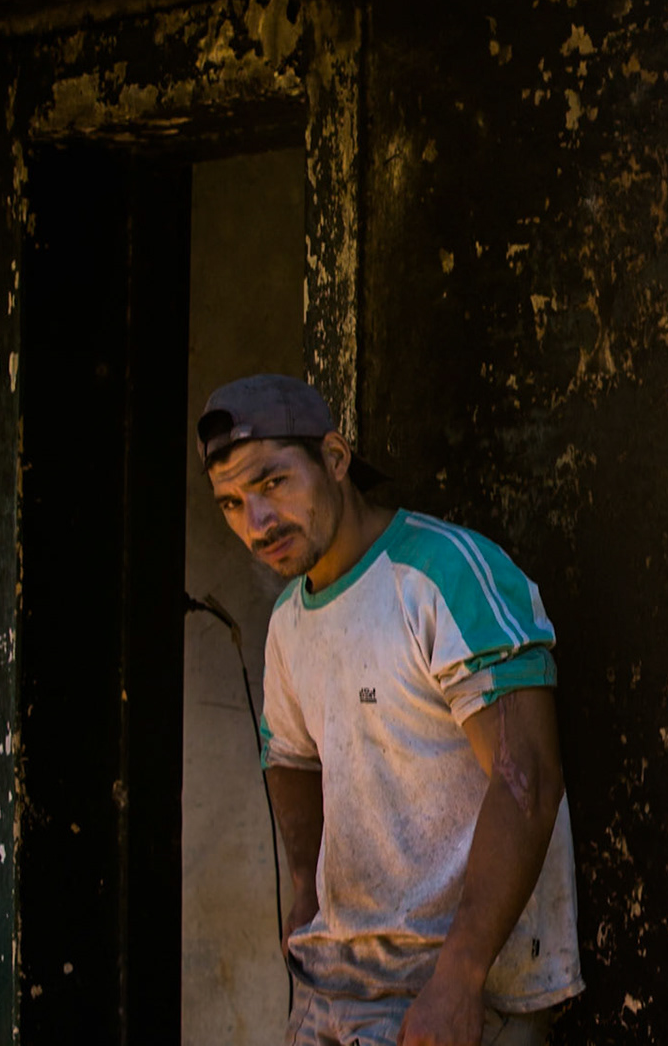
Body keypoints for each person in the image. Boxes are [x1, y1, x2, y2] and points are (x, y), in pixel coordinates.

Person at [198, 374, 583, 1046]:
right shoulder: (289, 623)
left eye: (272, 483)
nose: (255, 524)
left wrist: (459, 978)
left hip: (453, 990)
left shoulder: (444, 574)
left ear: (336, 460)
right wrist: (303, 896)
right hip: (335, 986)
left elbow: (529, 780)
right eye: (231, 503)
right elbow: (289, 758)